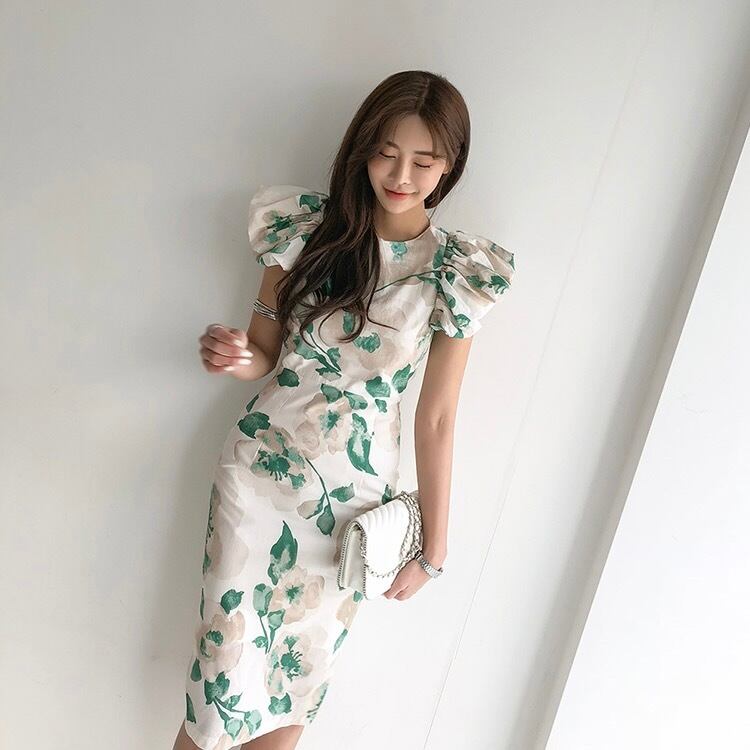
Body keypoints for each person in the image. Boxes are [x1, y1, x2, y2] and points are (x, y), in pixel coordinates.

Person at [172, 69, 515, 750]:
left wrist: (433, 547)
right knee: (218, 695)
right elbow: (264, 349)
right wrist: (235, 354)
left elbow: (438, 417)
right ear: (362, 149)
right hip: (258, 482)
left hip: (348, 512)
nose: (401, 175)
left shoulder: (456, 273)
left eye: (424, 160)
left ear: (451, 165)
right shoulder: (303, 230)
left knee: (292, 695)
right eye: (387, 152)